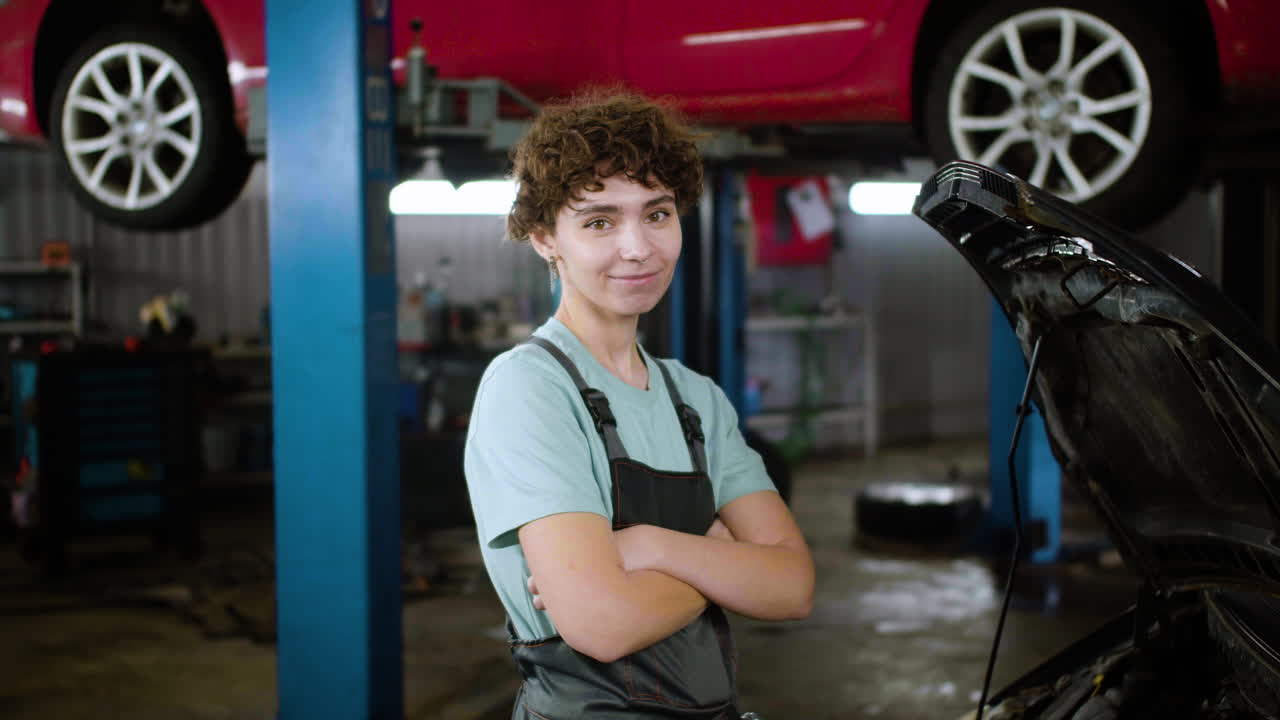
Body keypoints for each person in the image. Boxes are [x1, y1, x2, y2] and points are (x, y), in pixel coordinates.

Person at [464, 90, 814, 719]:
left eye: (657, 214)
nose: (638, 247)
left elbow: (792, 586)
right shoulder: (529, 389)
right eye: (599, 221)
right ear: (546, 238)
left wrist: (649, 545)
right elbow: (602, 624)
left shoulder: (696, 399)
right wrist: (723, 562)